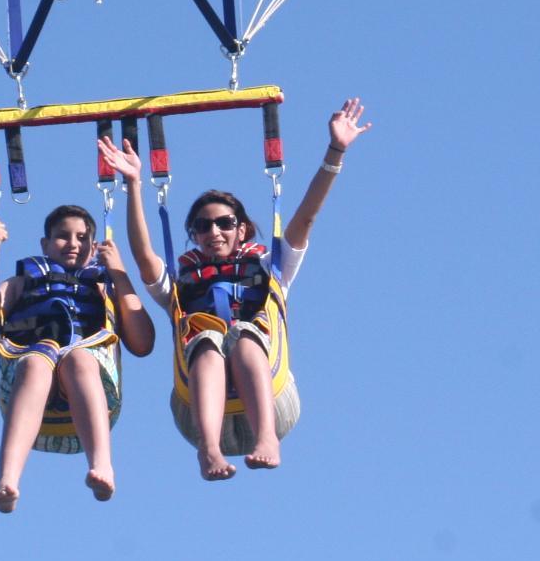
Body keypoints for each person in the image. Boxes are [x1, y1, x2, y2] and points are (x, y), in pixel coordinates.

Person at [104, 96, 370, 480]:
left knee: (244, 335)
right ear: (193, 235)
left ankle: (267, 439)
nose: (214, 231)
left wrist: (335, 151)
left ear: (242, 229)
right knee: (208, 343)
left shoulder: (270, 268)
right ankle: (208, 450)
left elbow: (305, 218)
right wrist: (133, 186)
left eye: (225, 223)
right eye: (202, 226)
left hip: (275, 402)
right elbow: (144, 256)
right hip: (194, 411)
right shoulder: (181, 286)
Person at [0, 203, 156, 512]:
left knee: (77, 358)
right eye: (63, 237)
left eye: (82, 237)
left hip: (93, 386)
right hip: (29, 379)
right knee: (37, 360)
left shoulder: (104, 284)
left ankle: (103, 466)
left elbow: (143, 343)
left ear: (94, 244)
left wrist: (119, 274)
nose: (74, 244)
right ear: (45, 244)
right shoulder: (23, 282)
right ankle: (7, 480)